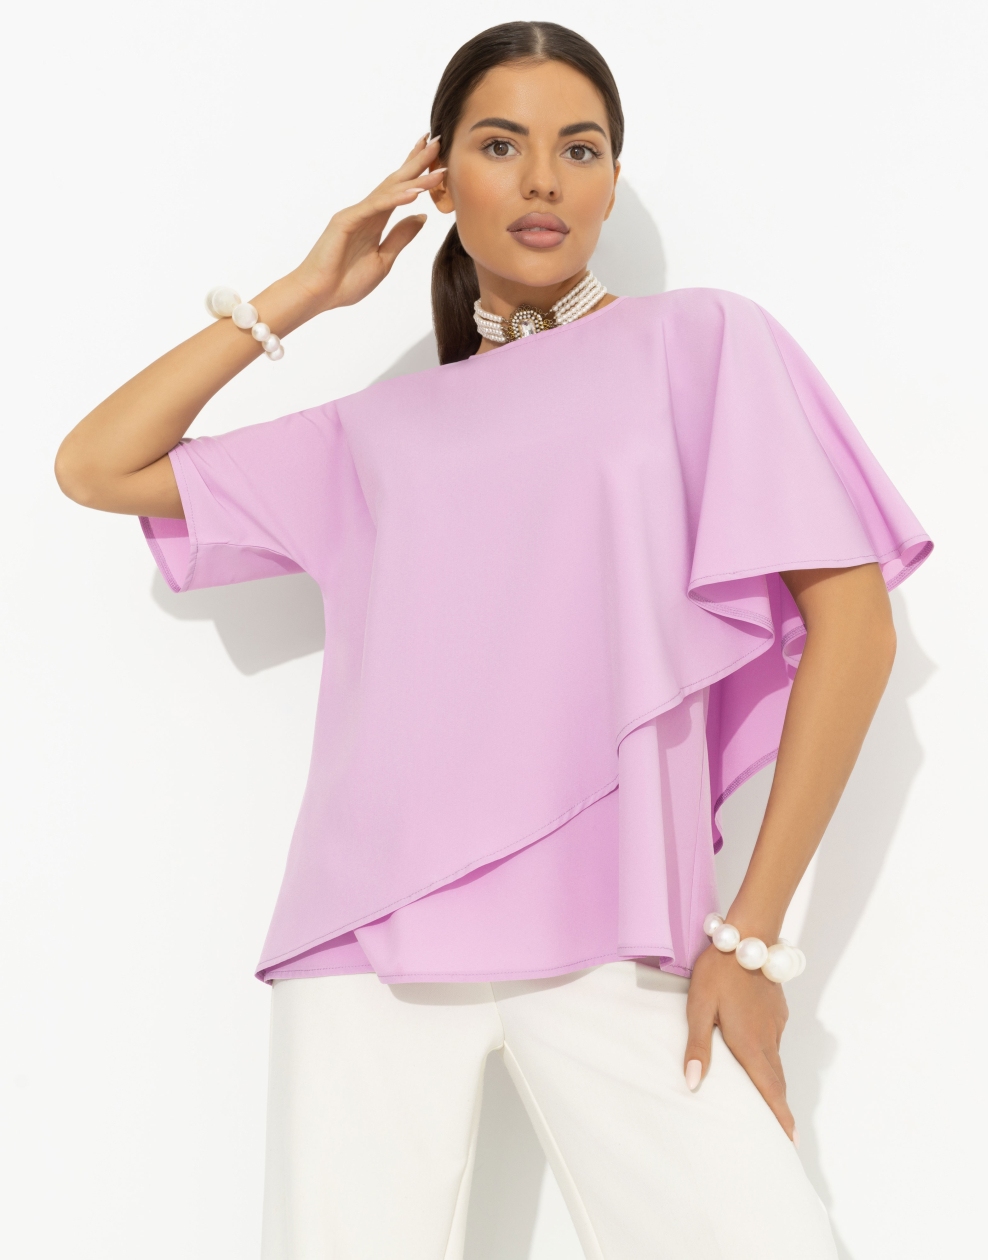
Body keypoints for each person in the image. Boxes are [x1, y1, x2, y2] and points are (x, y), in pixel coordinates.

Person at [54, 20, 932, 1260]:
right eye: (501, 145)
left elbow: (855, 622)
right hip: (366, 941)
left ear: (613, 179)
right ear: (439, 173)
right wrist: (310, 288)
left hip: (619, 929)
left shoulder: (700, 343)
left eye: (580, 148)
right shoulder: (375, 433)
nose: (543, 181)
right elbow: (96, 467)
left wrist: (751, 943)